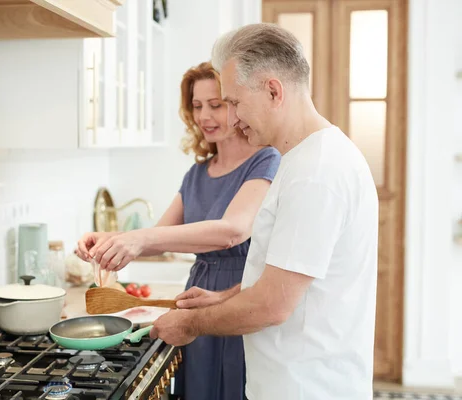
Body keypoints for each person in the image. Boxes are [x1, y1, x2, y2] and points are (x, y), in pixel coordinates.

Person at [149, 24, 379, 400]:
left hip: (307, 388)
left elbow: (272, 305)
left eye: (235, 102)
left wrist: (191, 323)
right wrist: (223, 298)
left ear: (273, 91)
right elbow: (293, 278)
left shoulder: (315, 173)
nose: (233, 118)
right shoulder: (304, 159)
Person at [76, 61, 281, 400]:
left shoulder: (266, 161)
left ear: (236, 103)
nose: (204, 116)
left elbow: (232, 231)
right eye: (197, 106)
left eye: (216, 105)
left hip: (240, 296)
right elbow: (158, 239)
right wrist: (109, 241)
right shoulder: (197, 173)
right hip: (194, 299)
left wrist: (138, 239)